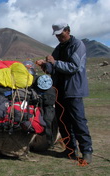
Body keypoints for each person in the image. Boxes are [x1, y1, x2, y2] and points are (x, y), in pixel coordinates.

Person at [35, 22, 93, 164]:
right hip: (59, 90)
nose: (59, 37)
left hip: (73, 90)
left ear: (68, 30)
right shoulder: (59, 48)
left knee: (78, 121)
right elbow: (53, 69)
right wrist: (45, 65)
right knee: (63, 122)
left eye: (61, 34)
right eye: (57, 35)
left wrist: (53, 63)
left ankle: (86, 151)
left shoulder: (78, 45)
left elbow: (73, 67)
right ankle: (70, 150)